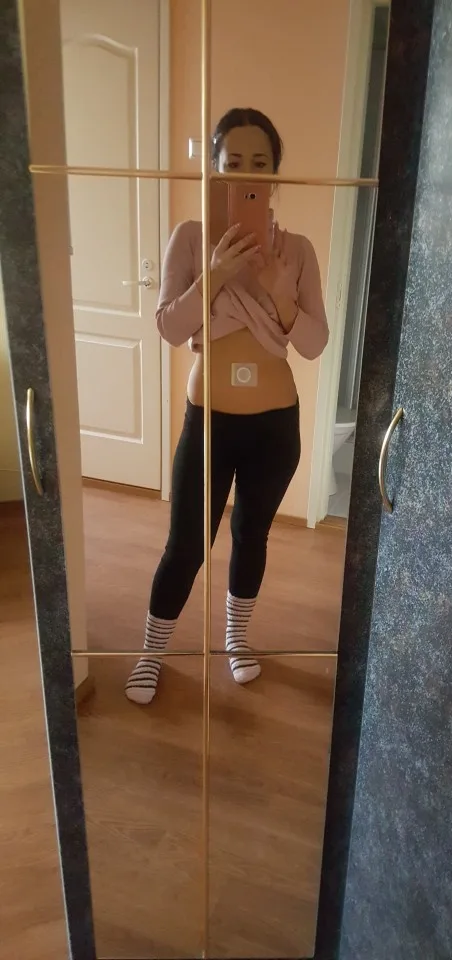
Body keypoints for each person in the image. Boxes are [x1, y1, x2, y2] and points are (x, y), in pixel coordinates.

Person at [125, 107, 329, 704]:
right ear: (213, 170)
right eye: (233, 162)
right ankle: (151, 651)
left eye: (259, 164)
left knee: (251, 535)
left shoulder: (296, 250)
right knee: (186, 545)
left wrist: (277, 290)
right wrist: (213, 274)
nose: (246, 174)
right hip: (209, 421)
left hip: (274, 426)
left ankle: (236, 638)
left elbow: (315, 344)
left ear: (274, 176)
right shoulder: (190, 238)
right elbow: (169, 327)